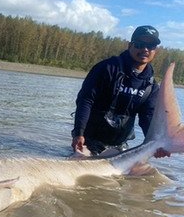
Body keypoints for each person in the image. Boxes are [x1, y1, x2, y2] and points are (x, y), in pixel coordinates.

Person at [71, 25, 171, 157]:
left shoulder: (151, 86)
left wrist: (155, 145)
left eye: (151, 45)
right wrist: (79, 133)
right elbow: (86, 100)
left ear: (155, 50)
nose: (145, 49)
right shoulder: (106, 68)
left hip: (120, 145)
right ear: (130, 45)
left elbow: (147, 118)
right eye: (140, 44)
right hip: (89, 140)